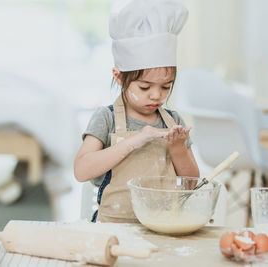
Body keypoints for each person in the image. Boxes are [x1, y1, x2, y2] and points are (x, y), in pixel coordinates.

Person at [74, 0, 199, 223]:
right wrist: (133, 141)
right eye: (144, 87)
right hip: (113, 227)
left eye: (165, 87)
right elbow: (81, 171)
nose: (156, 95)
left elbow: (191, 184)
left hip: (164, 227)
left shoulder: (173, 122)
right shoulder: (106, 118)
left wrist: (178, 149)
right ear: (119, 77)